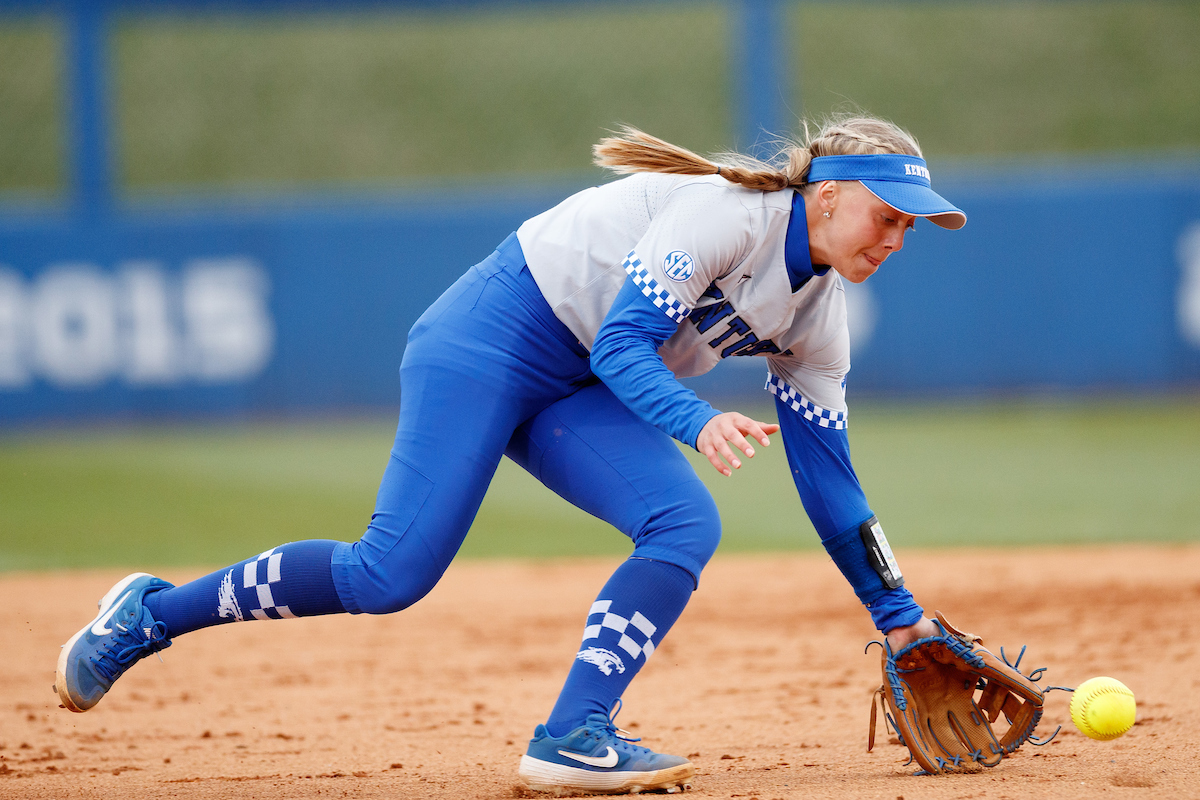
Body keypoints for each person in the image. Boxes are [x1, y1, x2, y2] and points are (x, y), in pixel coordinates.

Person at [56, 113, 963, 795]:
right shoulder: (727, 216)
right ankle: (148, 614)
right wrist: (696, 420)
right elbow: (619, 346)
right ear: (829, 192)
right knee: (389, 574)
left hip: (582, 391)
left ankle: (573, 732)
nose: (894, 238)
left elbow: (829, 479)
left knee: (682, 521)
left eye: (909, 228)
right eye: (886, 214)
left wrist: (898, 612)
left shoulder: (820, 325)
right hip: (491, 340)